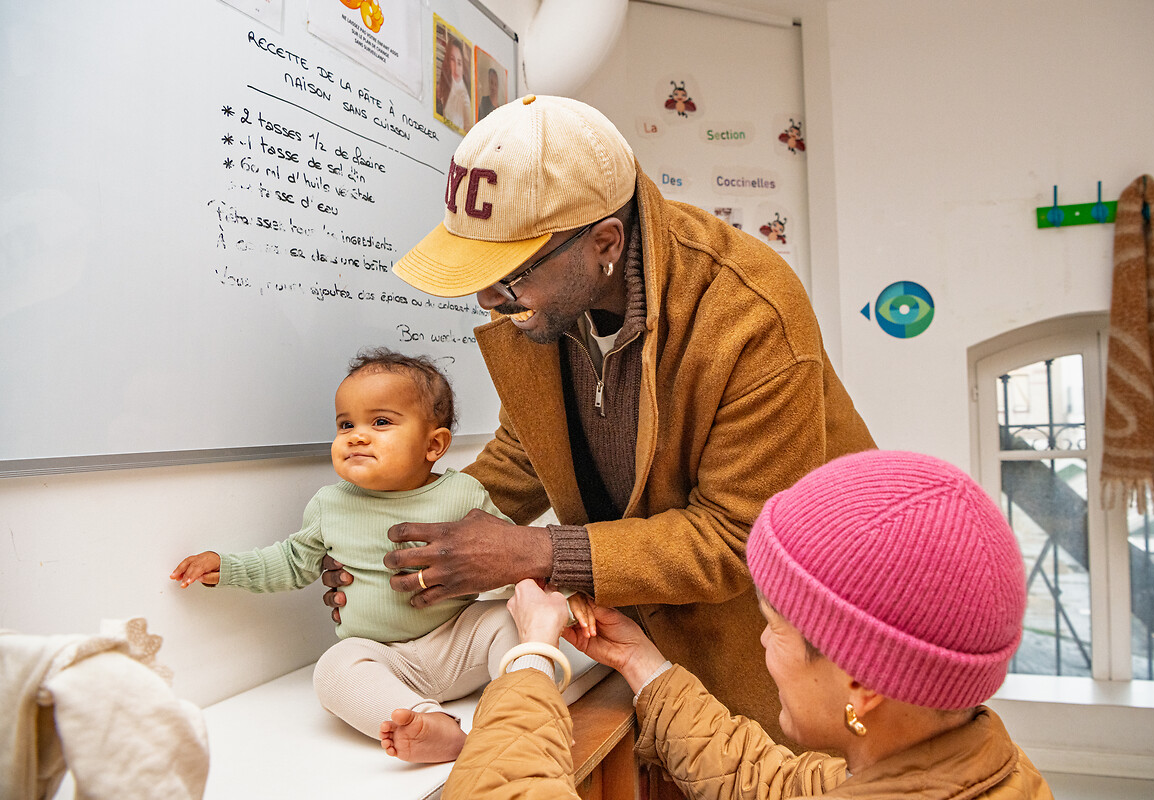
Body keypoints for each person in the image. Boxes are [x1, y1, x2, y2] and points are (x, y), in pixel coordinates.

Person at [323, 94, 876, 744]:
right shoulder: (554, 305)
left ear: (605, 243)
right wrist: (397, 545)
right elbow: (528, 454)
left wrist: (536, 552)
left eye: (509, 275)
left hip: (797, 652)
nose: (487, 298)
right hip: (651, 652)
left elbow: (738, 536)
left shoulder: (749, 312)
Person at [443, 450, 1052, 800]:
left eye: (776, 626)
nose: (762, 640)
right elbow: (777, 784)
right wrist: (640, 663)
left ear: (863, 685)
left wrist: (530, 658)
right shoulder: (969, 766)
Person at [170, 348, 525, 763]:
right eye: (345, 424)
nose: (356, 435)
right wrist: (227, 567)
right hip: (381, 657)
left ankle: (517, 712)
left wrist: (556, 594)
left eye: (381, 422)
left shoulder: (463, 494)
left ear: (434, 444)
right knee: (333, 669)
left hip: (460, 642)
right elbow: (290, 561)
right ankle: (427, 724)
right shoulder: (330, 505)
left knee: (510, 617)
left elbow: (510, 555)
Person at [436, 36, 472, 133]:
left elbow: (469, 127)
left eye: (459, 63)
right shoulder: (445, 86)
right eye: (452, 60)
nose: (456, 67)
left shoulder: (464, 97)